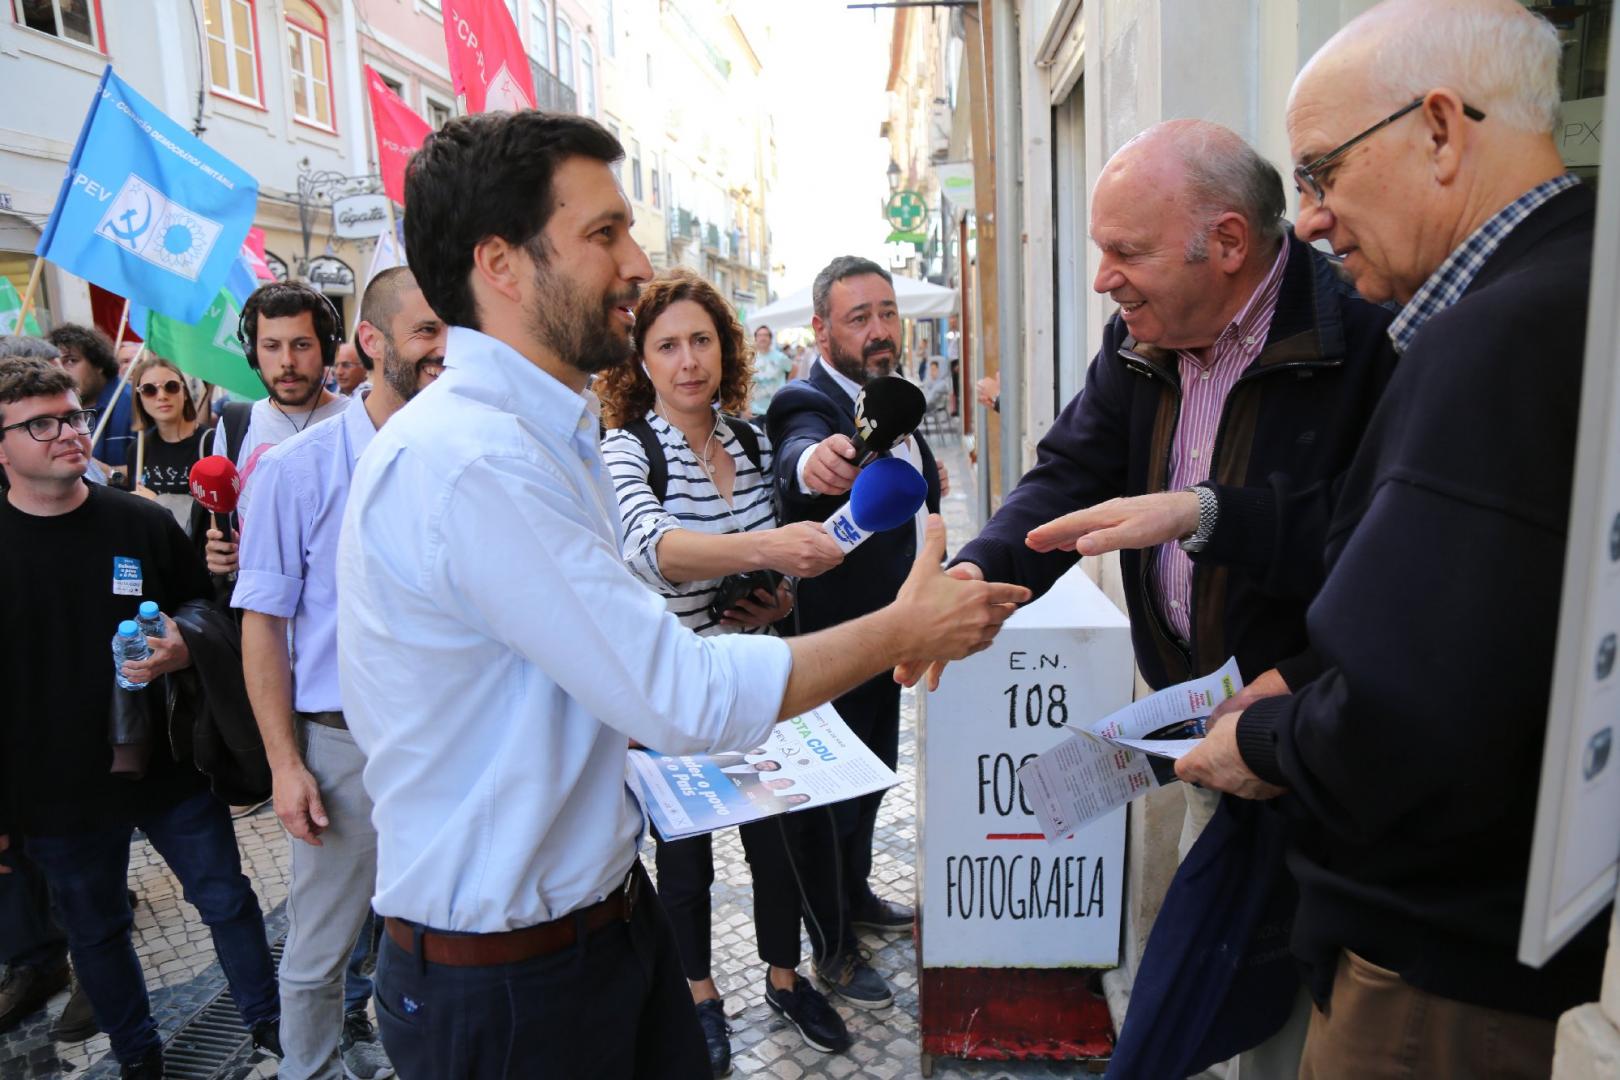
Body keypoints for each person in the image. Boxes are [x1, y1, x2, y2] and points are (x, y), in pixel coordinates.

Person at [338, 109, 1028, 1080]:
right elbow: (681, 693)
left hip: (600, 930)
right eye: (604, 232)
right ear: (501, 264)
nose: (636, 262)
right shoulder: (476, 461)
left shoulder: (541, 436)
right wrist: (904, 627)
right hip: (515, 989)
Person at [1033, 3, 1610, 1074]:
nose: (1309, 220)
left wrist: (1263, 735)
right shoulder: (1555, 291)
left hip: (1438, 941)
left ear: (1440, 129)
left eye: (1323, 173)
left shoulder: (1486, 337)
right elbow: (1468, 609)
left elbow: (1414, 699)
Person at [899, 119, 1399, 1073]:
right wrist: (980, 574)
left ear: (1227, 242)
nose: (1103, 279)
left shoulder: (1367, 342)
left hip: (1317, 749)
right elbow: (1069, 472)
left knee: (1283, 1024)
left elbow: (1374, 549)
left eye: (1126, 252)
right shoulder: (1142, 338)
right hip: (1200, 737)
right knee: (1208, 1004)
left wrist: (1206, 516)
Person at [598, 268, 853, 1072]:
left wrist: (775, 597)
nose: (687, 361)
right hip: (670, 692)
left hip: (751, 681)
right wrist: (770, 547)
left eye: (701, 341)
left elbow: (781, 570)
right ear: (641, 360)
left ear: (725, 349)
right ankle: (700, 997)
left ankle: (785, 979)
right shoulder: (627, 449)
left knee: (774, 844)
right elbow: (651, 550)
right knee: (685, 862)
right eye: (667, 345)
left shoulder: (750, 441)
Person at [0, 357, 280, 1078]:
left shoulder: (140, 520)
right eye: (41, 424)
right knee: (96, 933)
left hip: (166, 764)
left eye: (72, 415)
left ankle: (273, 1026)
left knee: (226, 900)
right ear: (1, 448)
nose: (70, 432)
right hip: (54, 791)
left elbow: (204, 605)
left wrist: (185, 643)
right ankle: (138, 1060)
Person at [234, 267, 443, 1080]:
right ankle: (310, 1069)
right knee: (321, 946)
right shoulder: (296, 469)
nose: (444, 349)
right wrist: (285, 764)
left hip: (450, 737)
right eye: (425, 331)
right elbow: (263, 624)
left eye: (453, 330)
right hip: (343, 745)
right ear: (371, 341)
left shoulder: (467, 453)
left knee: (438, 930)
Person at [764, 256, 948, 1011]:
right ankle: (833, 949)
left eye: (886, 312)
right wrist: (818, 463)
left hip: (889, 637)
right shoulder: (805, 401)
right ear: (821, 330)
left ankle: (860, 894)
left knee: (872, 779)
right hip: (829, 646)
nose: (878, 330)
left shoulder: (896, 400)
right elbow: (797, 453)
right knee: (823, 801)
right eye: (858, 317)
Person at [204, 281, 350, 577]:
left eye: (301, 345)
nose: (287, 362)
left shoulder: (356, 422)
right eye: (271, 346)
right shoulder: (234, 424)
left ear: (327, 349)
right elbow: (222, 521)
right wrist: (220, 552)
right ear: (252, 353)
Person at [128, 355, 209, 532]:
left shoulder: (210, 441)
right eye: (149, 390)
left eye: (171, 387)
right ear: (139, 398)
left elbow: (216, 511)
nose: (162, 396)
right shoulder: (139, 449)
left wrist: (158, 502)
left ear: (184, 392)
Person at [49, 323, 134, 473]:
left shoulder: (134, 404)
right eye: (55, 364)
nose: (61, 371)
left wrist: (106, 472)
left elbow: (152, 471)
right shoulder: (53, 411)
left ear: (98, 363)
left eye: (71, 361)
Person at [747, 324, 791, 417]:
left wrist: (786, 384)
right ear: (755, 338)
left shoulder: (780, 357)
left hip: (776, 407)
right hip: (755, 409)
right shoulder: (750, 359)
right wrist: (746, 406)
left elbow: (793, 368)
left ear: (770, 339)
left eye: (765, 335)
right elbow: (747, 383)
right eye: (760, 335)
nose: (762, 338)